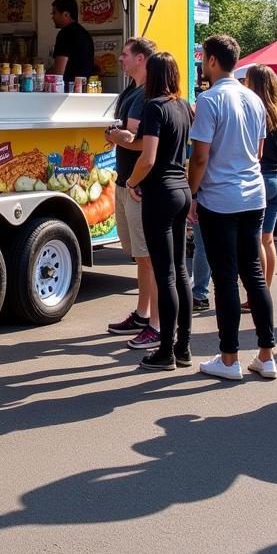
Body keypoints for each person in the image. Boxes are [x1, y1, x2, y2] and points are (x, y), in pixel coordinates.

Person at [189, 34, 276, 382]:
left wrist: (191, 194)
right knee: (253, 275)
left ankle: (229, 360)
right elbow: (257, 152)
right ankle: (267, 356)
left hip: (220, 198)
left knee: (225, 277)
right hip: (253, 194)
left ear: (211, 60)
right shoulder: (254, 99)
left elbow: (199, 156)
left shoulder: (209, 100)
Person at [123, 52, 193, 371]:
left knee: (164, 273)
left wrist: (133, 182)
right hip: (182, 189)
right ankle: (183, 346)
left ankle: (165, 350)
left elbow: (148, 157)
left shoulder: (154, 107)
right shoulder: (182, 106)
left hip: (160, 192)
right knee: (180, 271)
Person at [103, 38, 161, 348]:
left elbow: (138, 140)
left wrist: (115, 135)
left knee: (147, 257)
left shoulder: (144, 94)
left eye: (126, 54)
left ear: (141, 59)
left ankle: (153, 320)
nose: (120, 59)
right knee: (140, 256)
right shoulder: (131, 90)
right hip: (126, 181)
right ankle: (142, 314)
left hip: (137, 184)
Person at [243, 64, 277, 292]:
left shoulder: (254, 110)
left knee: (255, 241)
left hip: (260, 176)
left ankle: (257, 292)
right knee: (267, 239)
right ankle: (265, 288)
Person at [49, 0, 94, 82]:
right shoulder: (85, 34)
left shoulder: (65, 33)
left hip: (68, 90)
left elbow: (58, 73)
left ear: (66, 14)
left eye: (54, 13)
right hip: (84, 88)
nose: (52, 17)